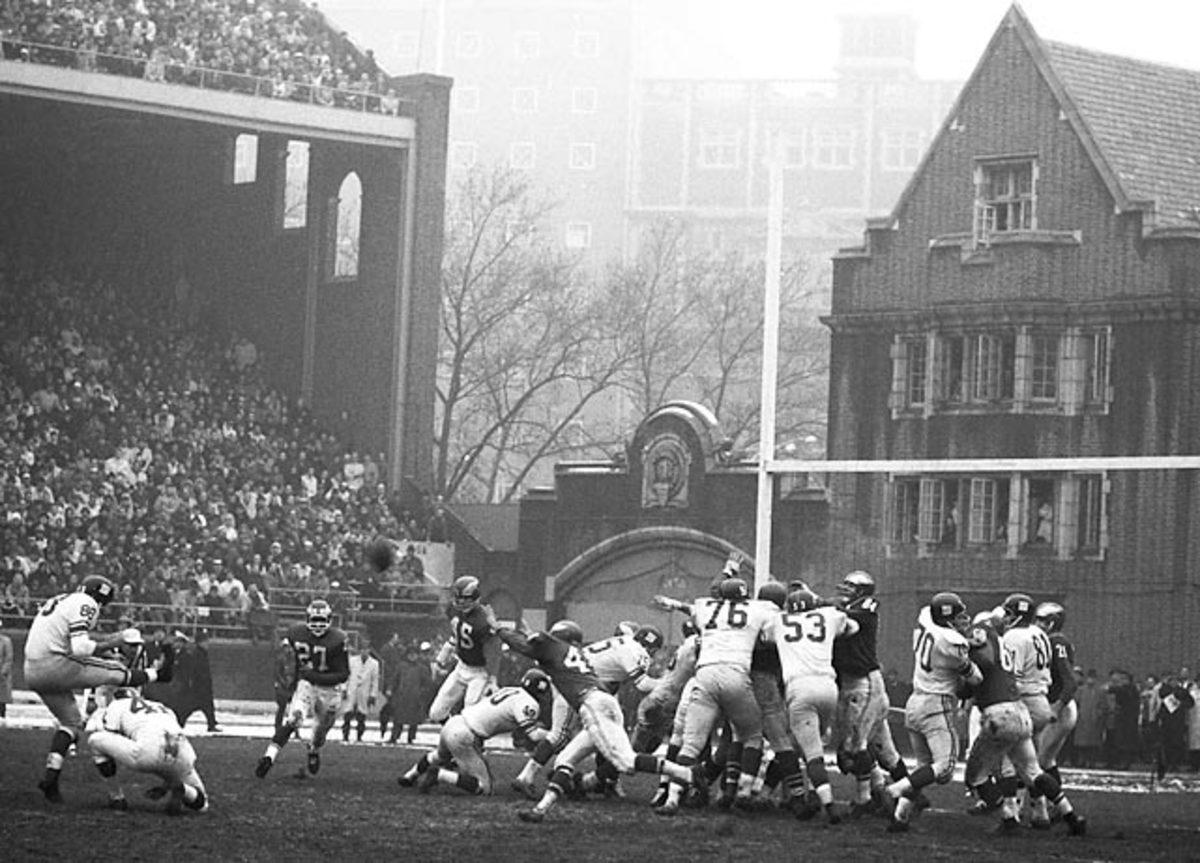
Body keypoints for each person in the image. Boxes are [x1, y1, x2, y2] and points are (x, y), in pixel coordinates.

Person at [494, 616, 698, 822]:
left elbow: (524, 647)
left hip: (593, 704)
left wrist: (498, 628)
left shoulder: (560, 654)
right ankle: (540, 810)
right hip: (601, 702)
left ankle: (687, 774)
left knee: (626, 762)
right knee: (564, 759)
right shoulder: (575, 653)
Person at [23, 575, 173, 802]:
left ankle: (50, 779)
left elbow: (76, 642)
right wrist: (115, 642)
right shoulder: (86, 602)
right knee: (113, 670)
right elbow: (81, 648)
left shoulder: (62, 600)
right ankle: (159, 675)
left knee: (71, 723)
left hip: (32, 671)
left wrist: (111, 641)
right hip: (54, 664)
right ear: (99, 596)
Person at [652, 565, 779, 812]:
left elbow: (691, 609)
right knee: (751, 735)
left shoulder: (705, 607)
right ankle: (744, 790)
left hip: (705, 675)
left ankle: (672, 799)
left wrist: (672, 602)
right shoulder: (760, 609)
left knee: (691, 744)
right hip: (735, 675)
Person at [960, 613, 1086, 835]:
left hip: (1001, 715)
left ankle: (1007, 814)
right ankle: (1070, 816)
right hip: (1021, 710)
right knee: (1033, 769)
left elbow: (980, 673)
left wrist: (962, 677)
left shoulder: (989, 644)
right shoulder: (1007, 645)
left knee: (976, 776)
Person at [882, 591, 981, 833]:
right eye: (957, 616)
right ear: (947, 619)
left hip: (914, 703)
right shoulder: (952, 643)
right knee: (945, 767)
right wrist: (973, 646)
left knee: (923, 766)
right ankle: (894, 790)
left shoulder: (925, 621)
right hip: (937, 705)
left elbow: (929, 612)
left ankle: (900, 818)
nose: (962, 620)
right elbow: (976, 678)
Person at [764, 586, 858, 824]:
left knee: (812, 752)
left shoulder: (778, 621)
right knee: (808, 744)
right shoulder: (828, 616)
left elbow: (765, 639)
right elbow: (852, 627)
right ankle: (776, 791)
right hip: (828, 686)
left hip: (800, 687)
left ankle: (827, 804)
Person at [830, 570, 910, 819]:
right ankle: (907, 793)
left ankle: (865, 798)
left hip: (865, 685)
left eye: (850, 587)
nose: (844, 590)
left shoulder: (866, 607)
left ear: (862, 591)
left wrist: (820, 606)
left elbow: (847, 620)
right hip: (854, 685)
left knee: (855, 746)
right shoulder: (845, 610)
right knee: (885, 753)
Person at [398, 668, 552, 795]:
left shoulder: (511, 690)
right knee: (484, 787)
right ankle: (440, 775)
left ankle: (410, 775)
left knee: (439, 755)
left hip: (454, 722)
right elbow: (533, 735)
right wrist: (555, 735)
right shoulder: (529, 703)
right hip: (465, 735)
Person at [255, 599, 350, 778]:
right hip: (307, 685)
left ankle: (313, 749)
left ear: (330, 620)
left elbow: (343, 674)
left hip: (330, 689)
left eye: (322, 621)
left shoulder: (337, 639)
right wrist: (292, 682)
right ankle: (268, 757)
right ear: (307, 618)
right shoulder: (295, 633)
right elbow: (291, 659)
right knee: (294, 719)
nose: (318, 625)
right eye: (315, 620)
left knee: (321, 731)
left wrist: (313, 675)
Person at [86, 688, 209, 815]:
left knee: (95, 740)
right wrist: (166, 786)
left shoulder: (117, 704)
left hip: (149, 751)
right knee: (202, 805)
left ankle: (116, 798)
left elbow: (111, 733)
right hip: (183, 751)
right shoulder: (162, 707)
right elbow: (168, 745)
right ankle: (184, 789)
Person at [428, 576, 499, 722]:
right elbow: (456, 637)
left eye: (464, 598)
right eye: (458, 597)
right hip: (461, 667)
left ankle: (472, 742)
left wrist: (493, 679)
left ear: (474, 597)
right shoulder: (456, 611)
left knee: (470, 716)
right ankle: (453, 732)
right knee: (436, 713)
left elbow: (494, 653)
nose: (460, 601)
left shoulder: (483, 621)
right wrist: (441, 659)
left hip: (479, 672)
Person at [1034, 602, 1078, 787]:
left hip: (1059, 707)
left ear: (1052, 623)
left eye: (1042, 620)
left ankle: (1021, 807)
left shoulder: (1056, 642)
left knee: (1032, 762)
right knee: (1046, 761)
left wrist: (1056, 707)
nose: (1037, 623)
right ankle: (1058, 808)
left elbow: (1071, 681)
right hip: (1060, 706)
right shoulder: (1049, 640)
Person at [171, 630, 221, 733]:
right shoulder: (197, 654)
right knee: (190, 707)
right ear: (200, 642)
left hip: (202, 686)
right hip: (199, 686)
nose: (207, 644)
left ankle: (211, 723)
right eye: (206, 641)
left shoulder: (200, 653)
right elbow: (194, 671)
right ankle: (181, 723)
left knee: (206, 706)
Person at [383, 643, 432, 744]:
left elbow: (427, 684)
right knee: (398, 719)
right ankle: (394, 736)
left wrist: (421, 694)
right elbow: (394, 680)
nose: (412, 656)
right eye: (410, 654)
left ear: (418, 655)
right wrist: (390, 689)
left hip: (415, 698)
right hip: (401, 697)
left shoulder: (422, 668)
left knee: (413, 720)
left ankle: (411, 738)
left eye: (414, 654)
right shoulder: (401, 666)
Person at [341, 641, 381, 743]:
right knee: (348, 714)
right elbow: (346, 676)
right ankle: (345, 735)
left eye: (366, 649)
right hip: (352, 689)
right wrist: (344, 688)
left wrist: (373, 694)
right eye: (362, 649)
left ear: (369, 650)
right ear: (359, 651)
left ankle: (359, 735)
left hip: (364, 692)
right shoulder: (352, 661)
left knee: (361, 715)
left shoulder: (374, 664)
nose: (364, 652)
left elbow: (375, 680)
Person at [1073, 669, 1105, 767]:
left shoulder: (1100, 691)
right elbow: (1075, 702)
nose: (1091, 680)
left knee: (1093, 744)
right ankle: (1082, 760)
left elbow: (1103, 705)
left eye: (1093, 678)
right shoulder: (1081, 690)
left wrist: (1099, 714)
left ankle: (1091, 762)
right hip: (1082, 719)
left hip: (1094, 721)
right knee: (1081, 743)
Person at [273, 632, 297, 734]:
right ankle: (278, 727)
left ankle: (294, 729)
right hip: (283, 686)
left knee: (295, 709)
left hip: (292, 686)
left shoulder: (295, 660)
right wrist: (283, 683)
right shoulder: (280, 659)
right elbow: (277, 673)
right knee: (282, 708)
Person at [0, 623, 12, 721]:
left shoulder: (5, 641)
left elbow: (8, 659)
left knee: (1, 700)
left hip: (1, 677)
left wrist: (3, 672)